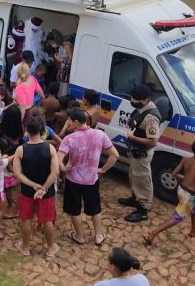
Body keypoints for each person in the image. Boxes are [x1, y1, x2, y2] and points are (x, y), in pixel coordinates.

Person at [58, 107, 119, 246]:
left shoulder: (69, 139)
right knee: (94, 208)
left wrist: (64, 168)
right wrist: (103, 169)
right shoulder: (99, 135)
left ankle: (79, 236)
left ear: (75, 121)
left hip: (73, 179)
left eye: (69, 121)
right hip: (92, 179)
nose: (68, 124)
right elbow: (115, 155)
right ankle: (98, 235)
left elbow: (58, 158)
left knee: (74, 209)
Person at [143, 140, 195, 246]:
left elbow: (174, 174)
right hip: (190, 194)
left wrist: (185, 177)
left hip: (181, 189)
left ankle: (193, 231)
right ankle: (153, 233)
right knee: (178, 217)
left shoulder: (185, 159)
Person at [13, 116, 60, 258]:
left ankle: (25, 247)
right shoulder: (50, 148)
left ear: (26, 130)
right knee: (47, 220)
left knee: (26, 219)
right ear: (41, 130)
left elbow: (16, 173)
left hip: (27, 191)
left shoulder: (21, 150)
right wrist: (43, 188)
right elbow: (55, 172)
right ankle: (51, 248)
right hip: (46, 192)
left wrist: (33, 185)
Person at [118, 85, 160, 223]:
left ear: (145, 100)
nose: (131, 100)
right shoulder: (142, 109)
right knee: (134, 177)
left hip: (142, 154)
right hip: (135, 152)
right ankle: (135, 198)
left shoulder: (151, 117)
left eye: (134, 99)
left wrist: (132, 137)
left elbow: (153, 142)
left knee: (143, 181)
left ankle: (143, 210)